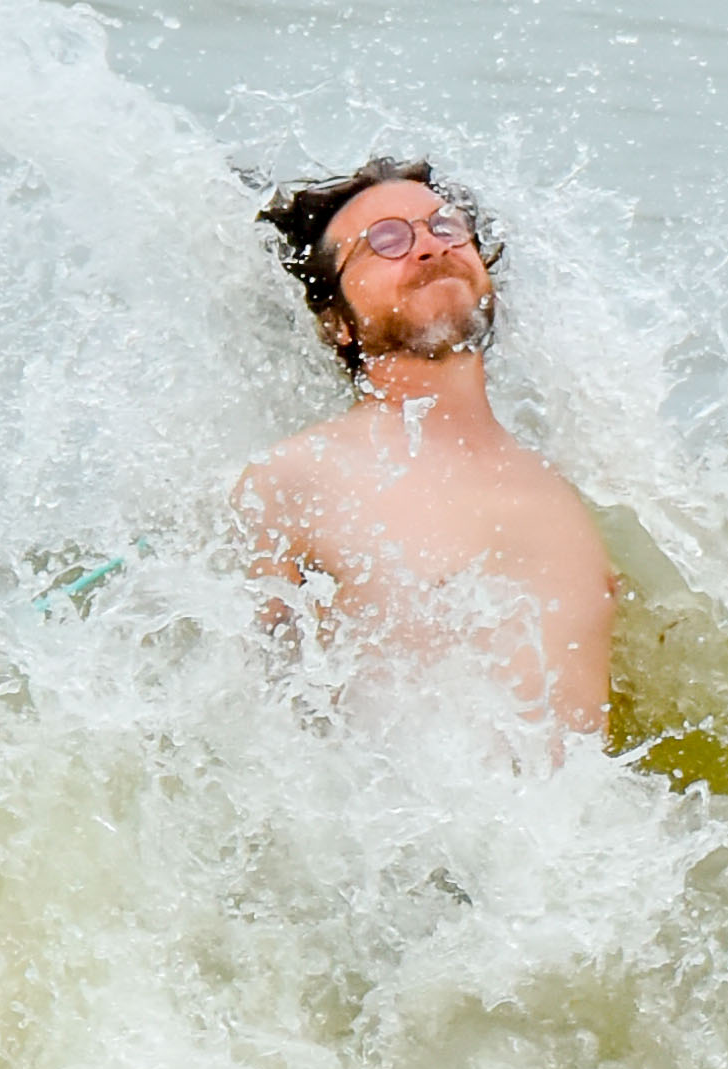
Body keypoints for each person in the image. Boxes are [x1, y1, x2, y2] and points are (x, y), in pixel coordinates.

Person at [236, 158, 613, 743]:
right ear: (338, 323)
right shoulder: (298, 478)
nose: (430, 249)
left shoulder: (567, 490)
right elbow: (243, 721)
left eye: (446, 227)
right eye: (386, 242)